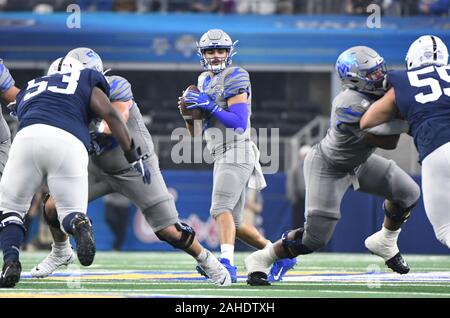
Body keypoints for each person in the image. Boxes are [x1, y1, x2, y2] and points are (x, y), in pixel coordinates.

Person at [31, 48, 232, 287]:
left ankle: (207, 260)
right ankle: (61, 251)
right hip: (96, 167)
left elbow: (117, 118)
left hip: (136, 166)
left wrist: (85, 132)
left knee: (169, 231)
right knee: (52, 205)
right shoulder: (66, 101)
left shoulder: (115, 85)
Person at [245, 46, 422, 286]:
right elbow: (387, 141)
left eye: (380, 69)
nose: (380, 76)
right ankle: (262, 258)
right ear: (353, 78)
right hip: (328, 166)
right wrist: (414, 117)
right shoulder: (347, 102)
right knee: (314, 239)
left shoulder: (382, 89)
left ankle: (386, 241)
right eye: (372, 73)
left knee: (408, 192)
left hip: (359, 162)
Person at [0, 56, 149, 288]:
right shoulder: (86, 78)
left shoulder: (32, 86)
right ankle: (78, 223)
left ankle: (10, 260)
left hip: (27, 138)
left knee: (9, 210)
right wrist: (132, 154)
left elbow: (17, 107)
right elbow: (111, 115)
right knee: (69, 211)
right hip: (69, 140)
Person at [179, 29, 296, 283]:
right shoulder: (203, 80)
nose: (216, 55)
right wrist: (188, 115)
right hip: (221, 152)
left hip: (237, 149)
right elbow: (197, 132)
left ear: (229, 52)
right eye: (211, 51)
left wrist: (209, 105)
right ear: (203, 54)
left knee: (220, 209)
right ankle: (281, 255)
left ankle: (226, 265)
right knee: (236, 223)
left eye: (221, 50)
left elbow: (240, 122)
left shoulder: (235, 75)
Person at [360, 35, 450, 249]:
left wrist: (410, 124)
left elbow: (368, 122)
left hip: (437, 147)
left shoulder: (402, 79)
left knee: (446, 228)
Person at [286, 145, 311, 229]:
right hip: (299, 198)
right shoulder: (295, 168)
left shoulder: (313, 168)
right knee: (298, 221)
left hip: (311, 199)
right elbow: (290, 183)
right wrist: (293, 198)